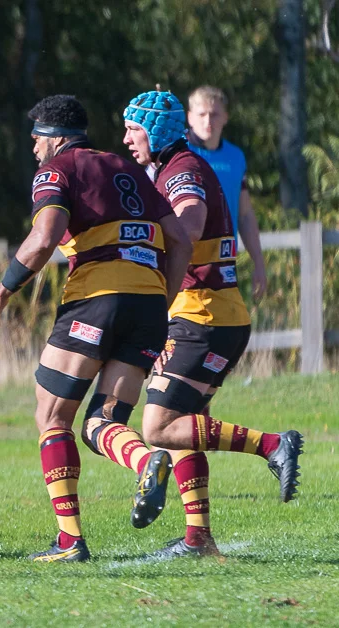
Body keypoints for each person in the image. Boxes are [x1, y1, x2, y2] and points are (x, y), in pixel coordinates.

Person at [0, 95, 192, 563]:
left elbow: (44, 237)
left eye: (36, 140)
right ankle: (145, 459)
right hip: (148, 304)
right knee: (103, 421)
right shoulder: (129, 167)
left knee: (52, 417)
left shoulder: (57, 170)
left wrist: (0, 295)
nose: (34, 150)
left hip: (96, 301)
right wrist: (163, 298)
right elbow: (179, 237)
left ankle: (71, 540)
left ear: (54, 138)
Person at [120, 90, 303, 560]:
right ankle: (198, 539)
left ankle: (272, 445)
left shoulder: (181, 170)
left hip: (203, 317)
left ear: (156, 131)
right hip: (209, 314)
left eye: (133, 129)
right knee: (183, 424)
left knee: (159, 427)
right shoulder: (172, 168)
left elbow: (192, 221)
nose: (126, 139)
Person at [185, 86, 268, 302]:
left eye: (214, 114)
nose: (208, 121)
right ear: (190, 117)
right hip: (185, 265)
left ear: (226, 118)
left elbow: (245, 214)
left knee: (226, 330)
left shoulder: (235, 156)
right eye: (202, 114)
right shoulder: (179, 153)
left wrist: (259, 263)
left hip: (224, 263)